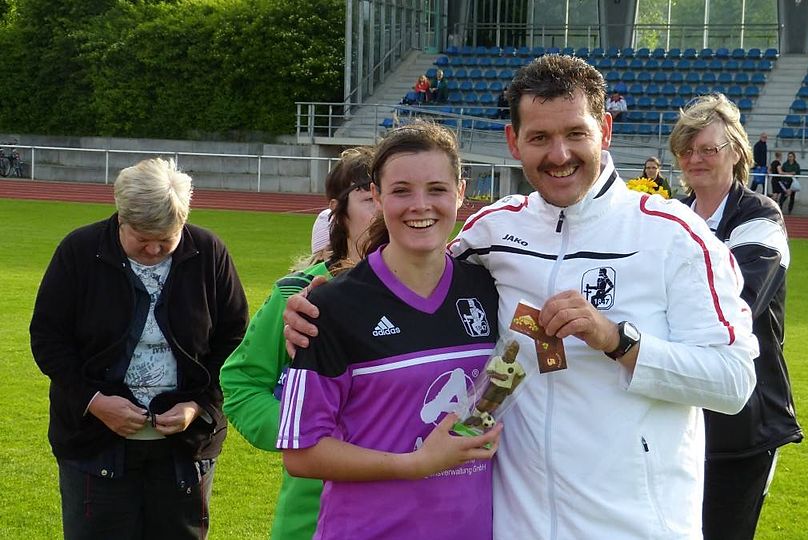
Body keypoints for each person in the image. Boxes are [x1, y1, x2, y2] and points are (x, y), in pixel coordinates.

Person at [284, 54, 758, 540]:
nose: (559, 154)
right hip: (517, 526)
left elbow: (733, 382)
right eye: (539, 137)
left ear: (605, 131)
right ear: (514, 142)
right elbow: (410, 271)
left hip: (634, 527)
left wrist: (618, 340)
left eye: (575, 133)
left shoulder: (674, 236)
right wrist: (325, 301)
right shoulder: (494, 231)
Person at [278, 122, 503, 540]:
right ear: (378, 196)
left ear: (460, 192)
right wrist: (414, 465)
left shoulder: (489, 290)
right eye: (401, 191)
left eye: (437, 189)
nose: (420, 205)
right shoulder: (331, 307)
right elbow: (300, 452)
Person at [30, 158, 249, 540]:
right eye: (142, 237)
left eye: (166, 238)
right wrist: (94, 401)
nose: (153, 248)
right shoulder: (80, 251)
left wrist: (197, 405)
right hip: (93, 446)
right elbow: (48, 339)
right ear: (121, 218)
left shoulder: (209, 253)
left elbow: (234, 341)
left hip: (185, 450)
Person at [220, 147, 377, 540]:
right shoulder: (298, 294)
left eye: (393, 193)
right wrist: (304, 432)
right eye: (369, 198)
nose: (385, 209)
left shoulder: (435, 291)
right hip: (312, 519)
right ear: (338, 212)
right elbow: (242, 384)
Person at [671, 94, 803, 540]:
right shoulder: (672, 215)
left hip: (743, 423)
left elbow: (736, 304)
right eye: (687, 150)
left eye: (708, 148)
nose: (695, 158)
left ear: (737, 153)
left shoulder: (761, 216)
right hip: (677, 412)